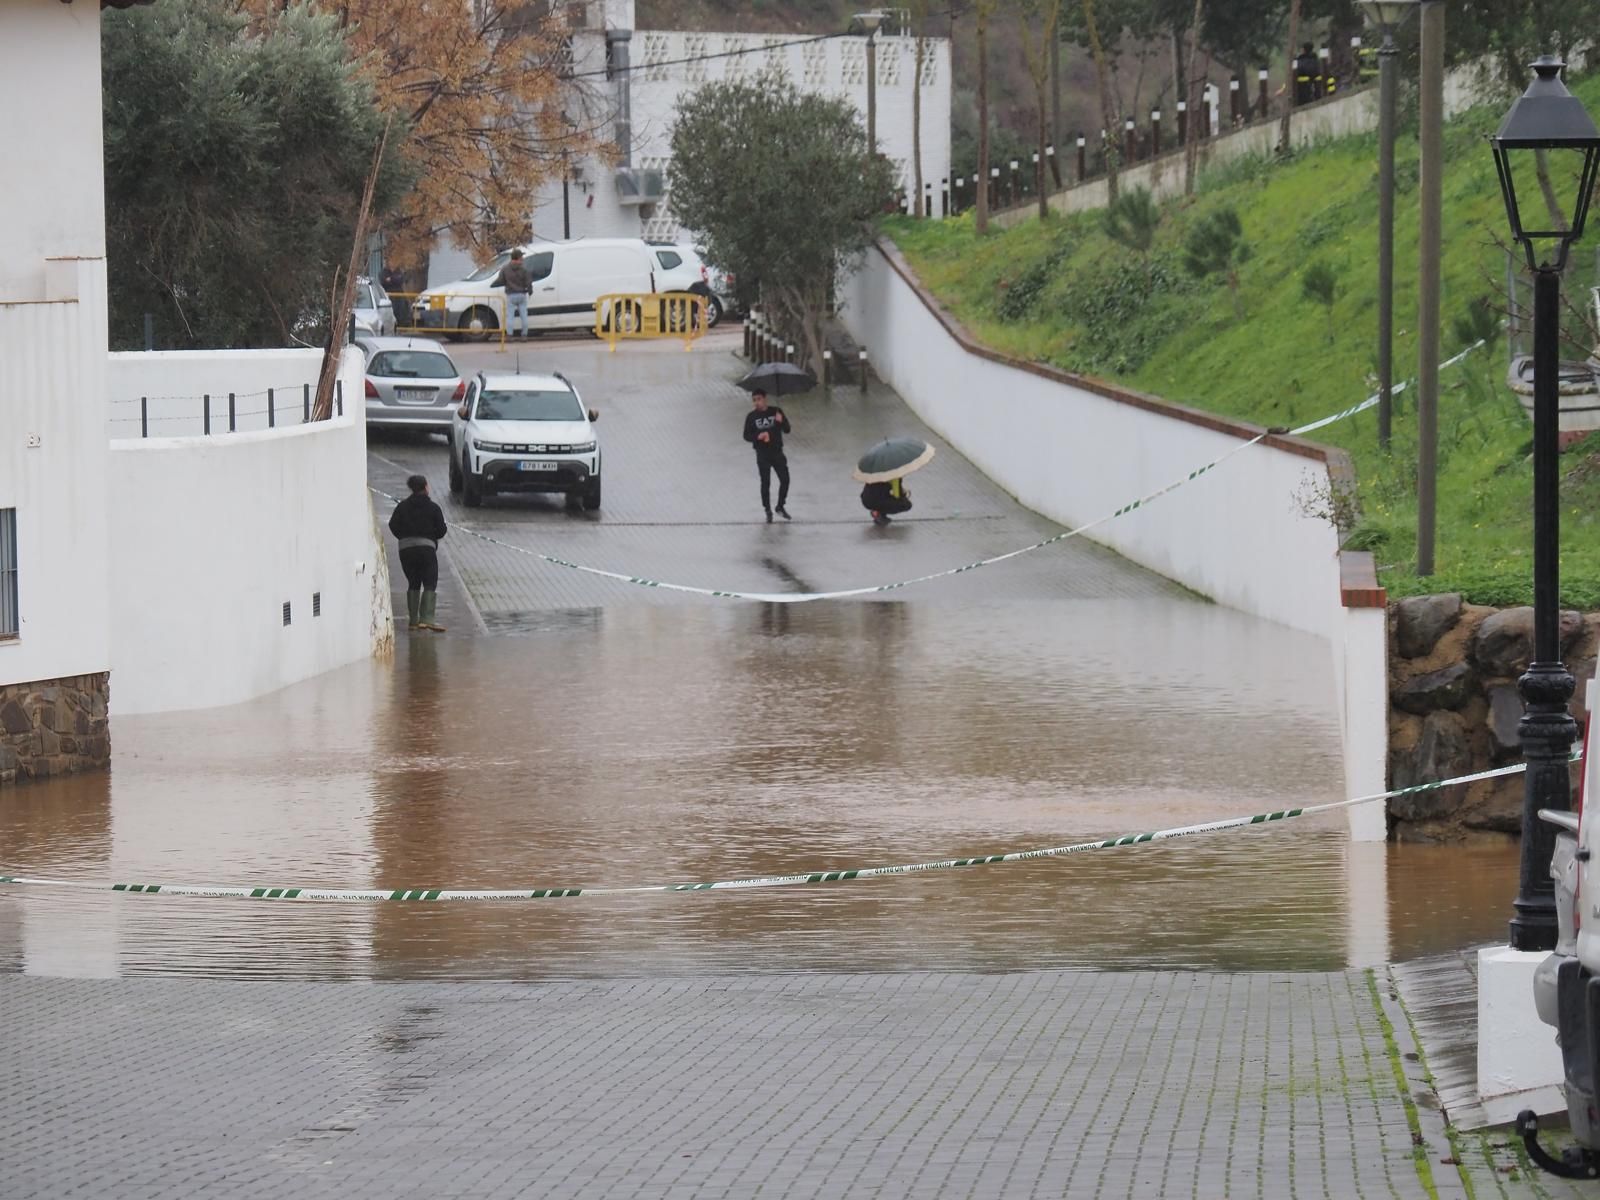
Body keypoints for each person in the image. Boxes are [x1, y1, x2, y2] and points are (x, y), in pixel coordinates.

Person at [389, 474, 448, 632]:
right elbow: (442, 530)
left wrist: (403, 537)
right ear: (426, 487)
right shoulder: (433, 508)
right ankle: (426, 619)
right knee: (430, 582)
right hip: (426, 549)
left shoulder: (402, 506)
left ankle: (413, 621)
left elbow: (392, 525)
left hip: (406, 549)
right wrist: (431, 536)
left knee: (413, 582)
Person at [742, 388, 792, 522]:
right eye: (754, 400)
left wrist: (781, 421)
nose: (756, 402)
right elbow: (746, 436)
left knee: (785, 479)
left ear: (765, 399)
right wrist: (758, 436)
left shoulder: (776, 411)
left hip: (777, 452)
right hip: (762, 454)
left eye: (758, 399)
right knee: (765, 482)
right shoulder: (751, 417)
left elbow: (787, 430)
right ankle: (767, 510)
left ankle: (780, 506)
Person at [491, 248, 532, 338]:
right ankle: (524, 335)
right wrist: (530, 291)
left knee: (510, 317)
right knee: (524, 316)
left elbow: (500, 280)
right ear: (518, 258)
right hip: (522, 294)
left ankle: (510, 334)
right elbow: (528, 282)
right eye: (521, 257)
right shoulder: (524, 269)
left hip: (511, 294)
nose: (522, 258)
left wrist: (496, 284)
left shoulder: (505, 268)